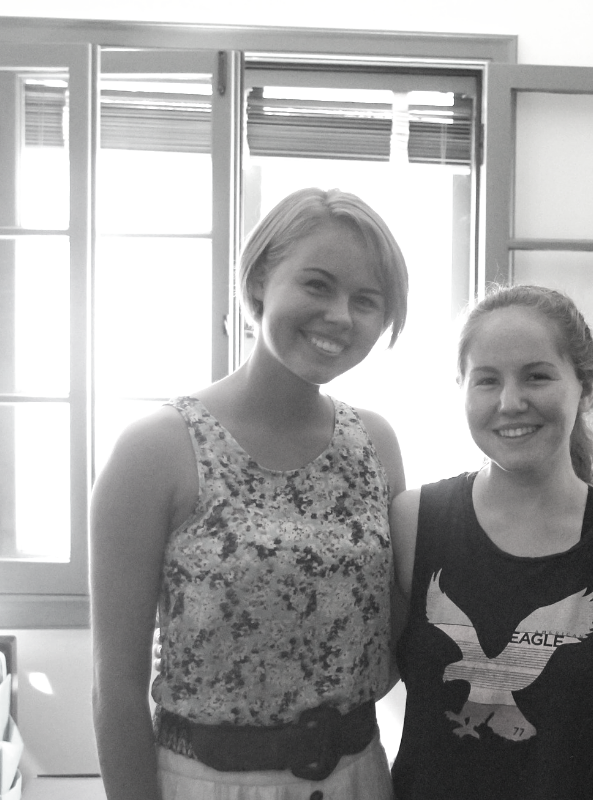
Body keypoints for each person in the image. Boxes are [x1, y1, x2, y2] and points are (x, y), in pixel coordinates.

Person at [91, 188, 412, 800]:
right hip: (207, 782)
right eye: (317, 285)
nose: (341, 316)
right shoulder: (155, 449)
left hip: (359, 775)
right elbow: (116, 689)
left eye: (367, 300)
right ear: (262, 280)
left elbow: (402, 632)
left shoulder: (376, 442)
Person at [388, 285, 593, 799]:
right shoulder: (414, 522)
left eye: (537, 376)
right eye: (487, 380)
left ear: (583, 386)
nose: (510, 402)